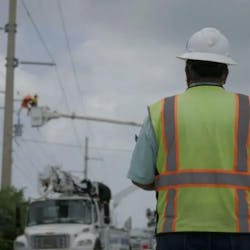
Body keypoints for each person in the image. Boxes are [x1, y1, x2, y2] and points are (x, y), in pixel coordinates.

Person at [127, 27, 250, 250]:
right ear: (226, 73)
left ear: (187, 71)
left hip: (176, 231)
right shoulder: (247, 109)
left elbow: (141, 177)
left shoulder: (161, 111)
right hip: (240, 231)